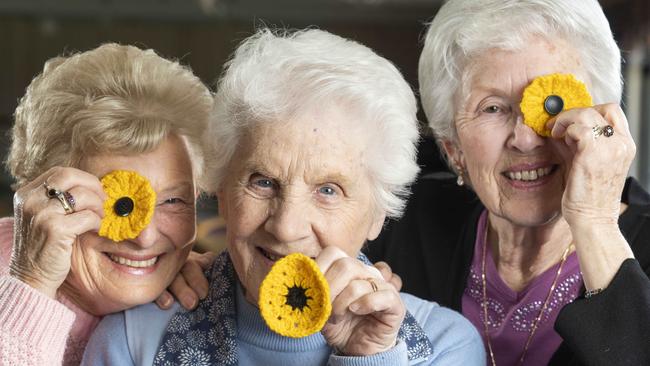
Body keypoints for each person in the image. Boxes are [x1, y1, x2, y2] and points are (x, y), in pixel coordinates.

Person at [82, 28, 485, 365]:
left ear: (380, 211)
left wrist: (367, 357)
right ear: (222, 189)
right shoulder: (131, 342)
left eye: (328, 190)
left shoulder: (445, 347)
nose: (286, 227)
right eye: (262, 182)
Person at [365, 0, 650, 365]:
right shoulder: (397, 223)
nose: (525, 138)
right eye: (493, 108)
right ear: (453, 149)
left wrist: (594, 222)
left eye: (552, 102)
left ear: (604, 122)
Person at [0, 43, 216, 365]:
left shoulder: (195, 297)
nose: (144, 238)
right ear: (42, 198)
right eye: (121, 204)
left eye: (173, 200)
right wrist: (33, 282)